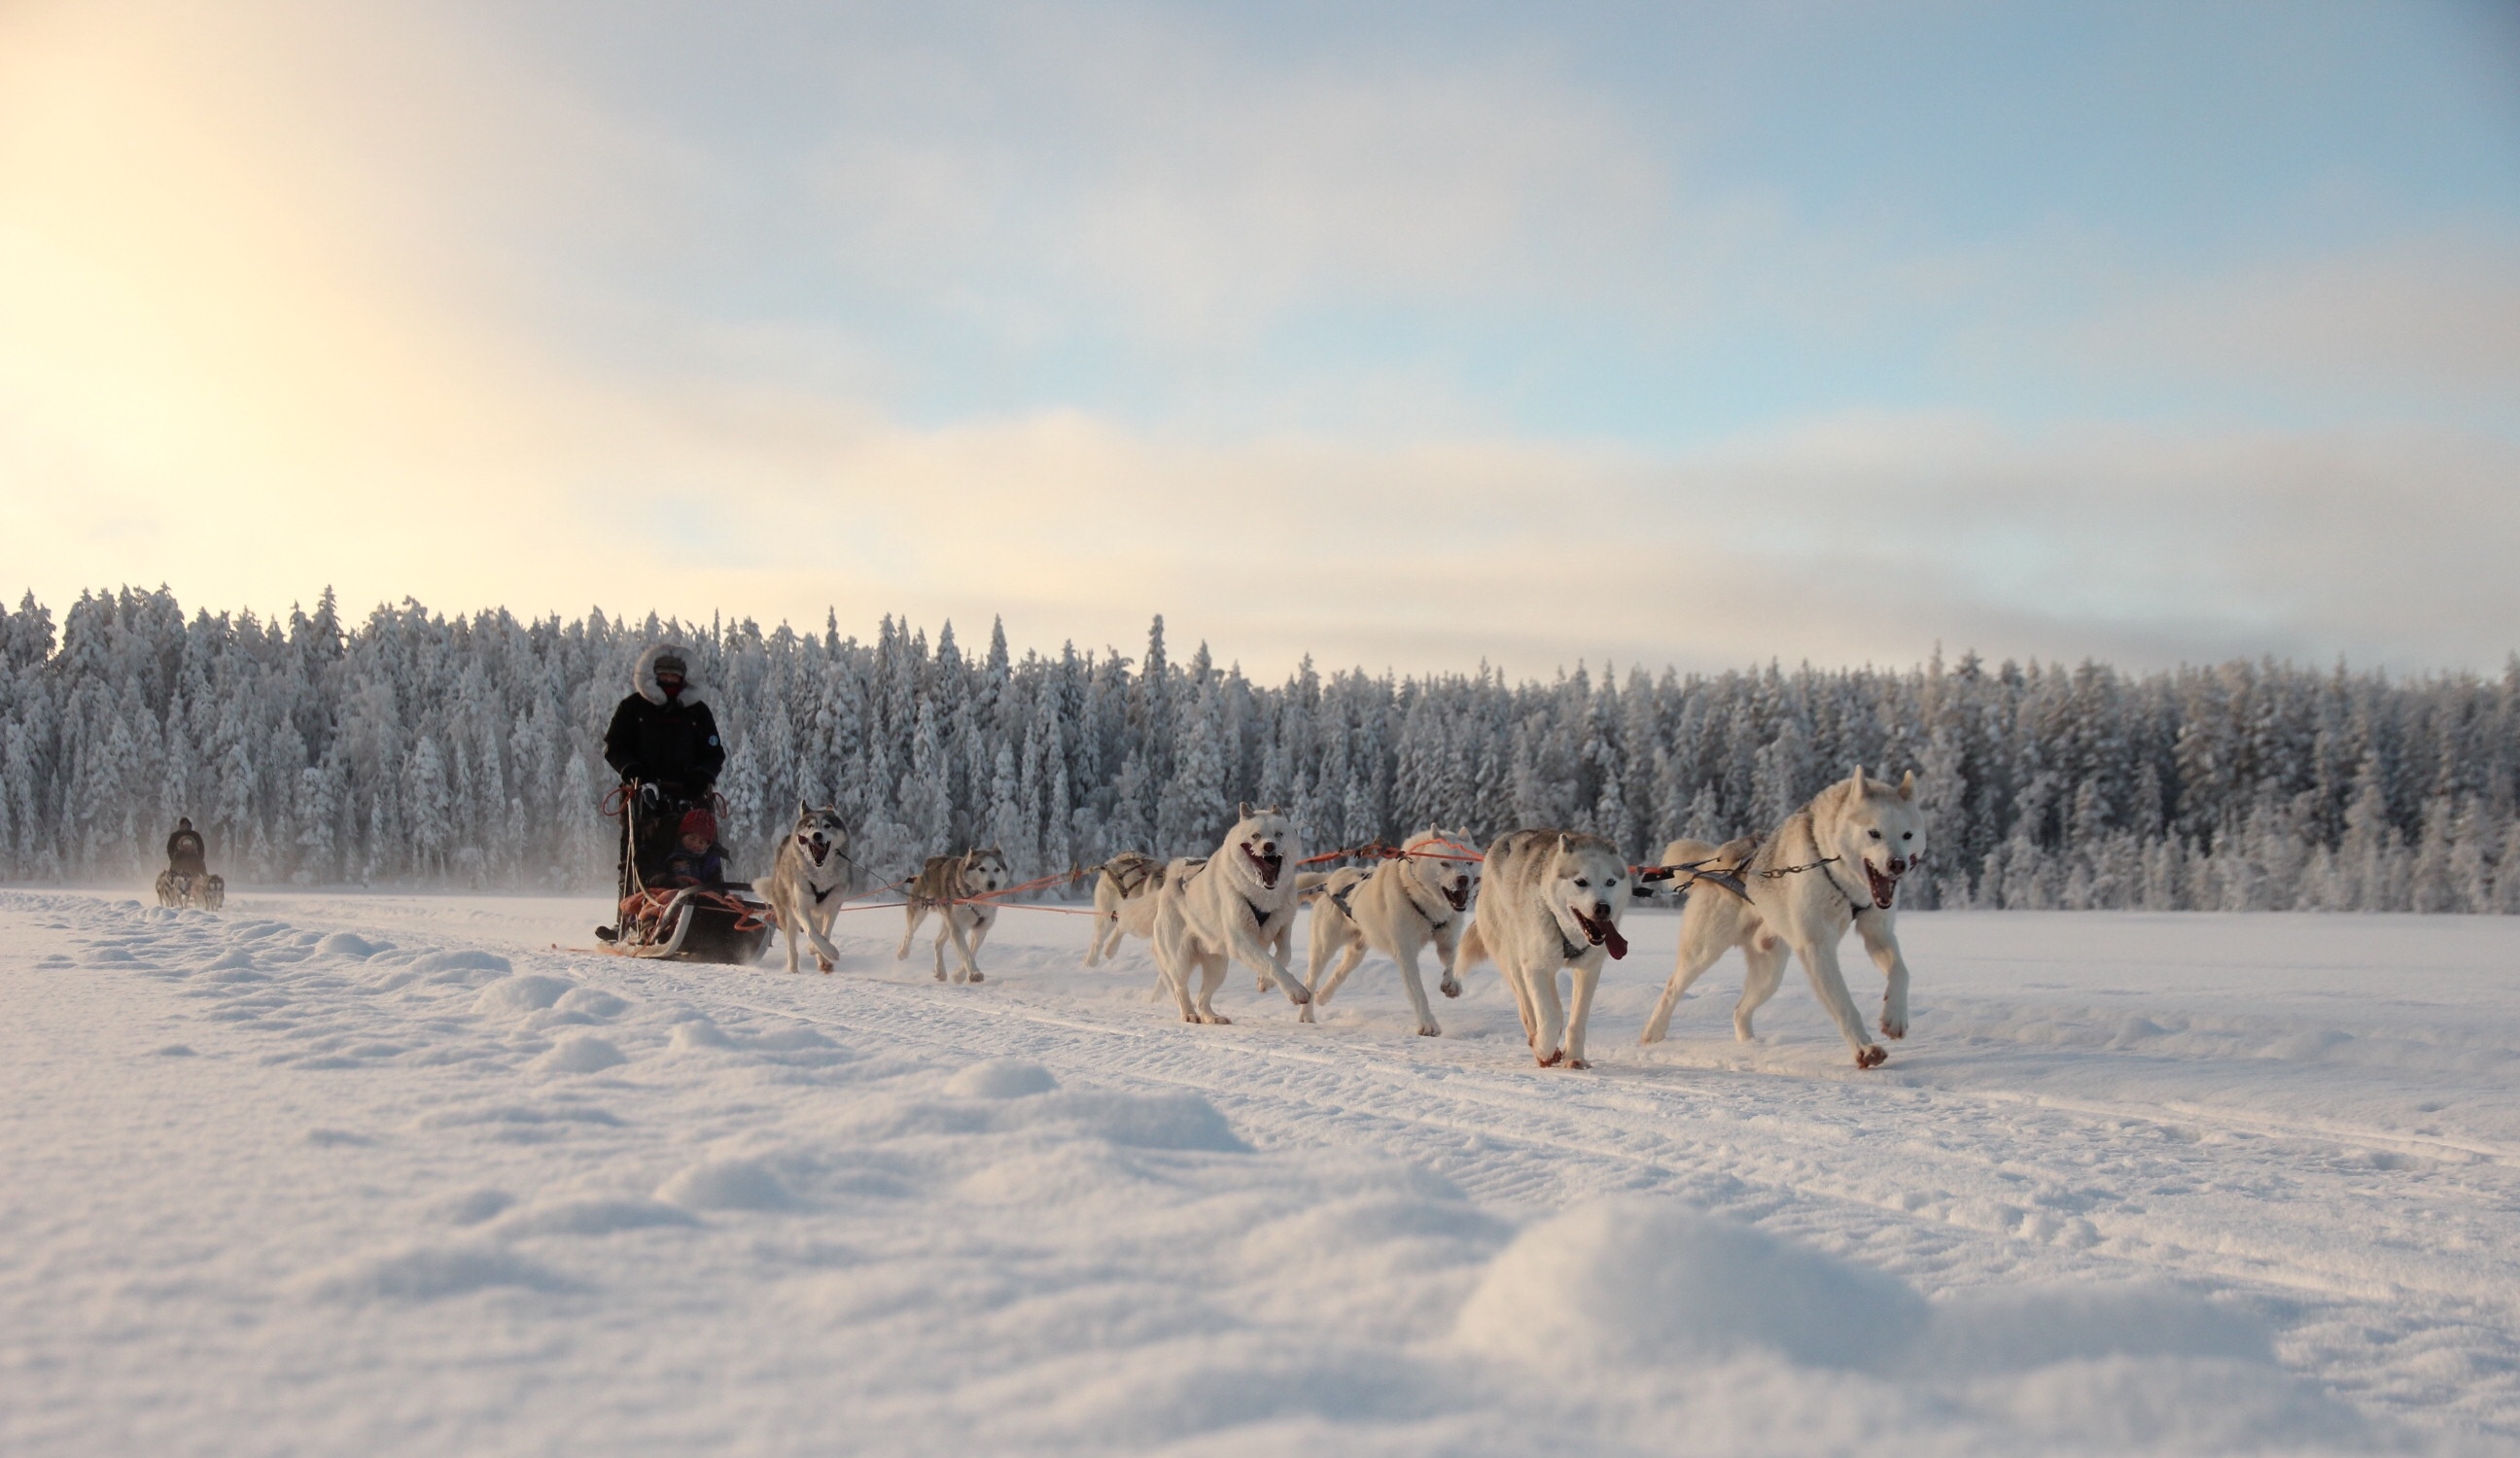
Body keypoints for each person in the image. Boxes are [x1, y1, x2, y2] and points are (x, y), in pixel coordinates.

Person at [603, 644, 724, 796]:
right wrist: (632, 770)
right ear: (654, 676)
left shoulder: (698, 711)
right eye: (663, 674)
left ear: (683, 678)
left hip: (690, 795)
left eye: (674, 675)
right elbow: (615, 746)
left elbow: (714, 752)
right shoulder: (632, 707)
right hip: (642, 793)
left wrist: (703, 775)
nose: (668, 679)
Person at [661, 809, 727, 889]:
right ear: (682, 836)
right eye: (692, 838)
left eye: (701, 842)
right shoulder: (668, 850)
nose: (695, 844)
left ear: (707, 845)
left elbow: (716, 883)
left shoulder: (711, 861)